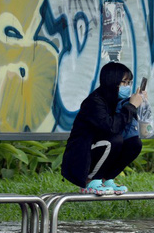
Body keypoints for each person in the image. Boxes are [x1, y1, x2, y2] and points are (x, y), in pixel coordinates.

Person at [61, 62, 145, 195]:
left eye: (129, 82)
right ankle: (90, 181)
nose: (127, 87)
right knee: (114, 140)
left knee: (134, 143)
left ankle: (106, 179)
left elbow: (127, 130)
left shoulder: (118, 101)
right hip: (81, 156)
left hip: (101, 147)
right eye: (124, 82)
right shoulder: (95, 102)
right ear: (112, 81)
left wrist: (138, 104)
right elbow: (111, 128)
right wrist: (131, 107)